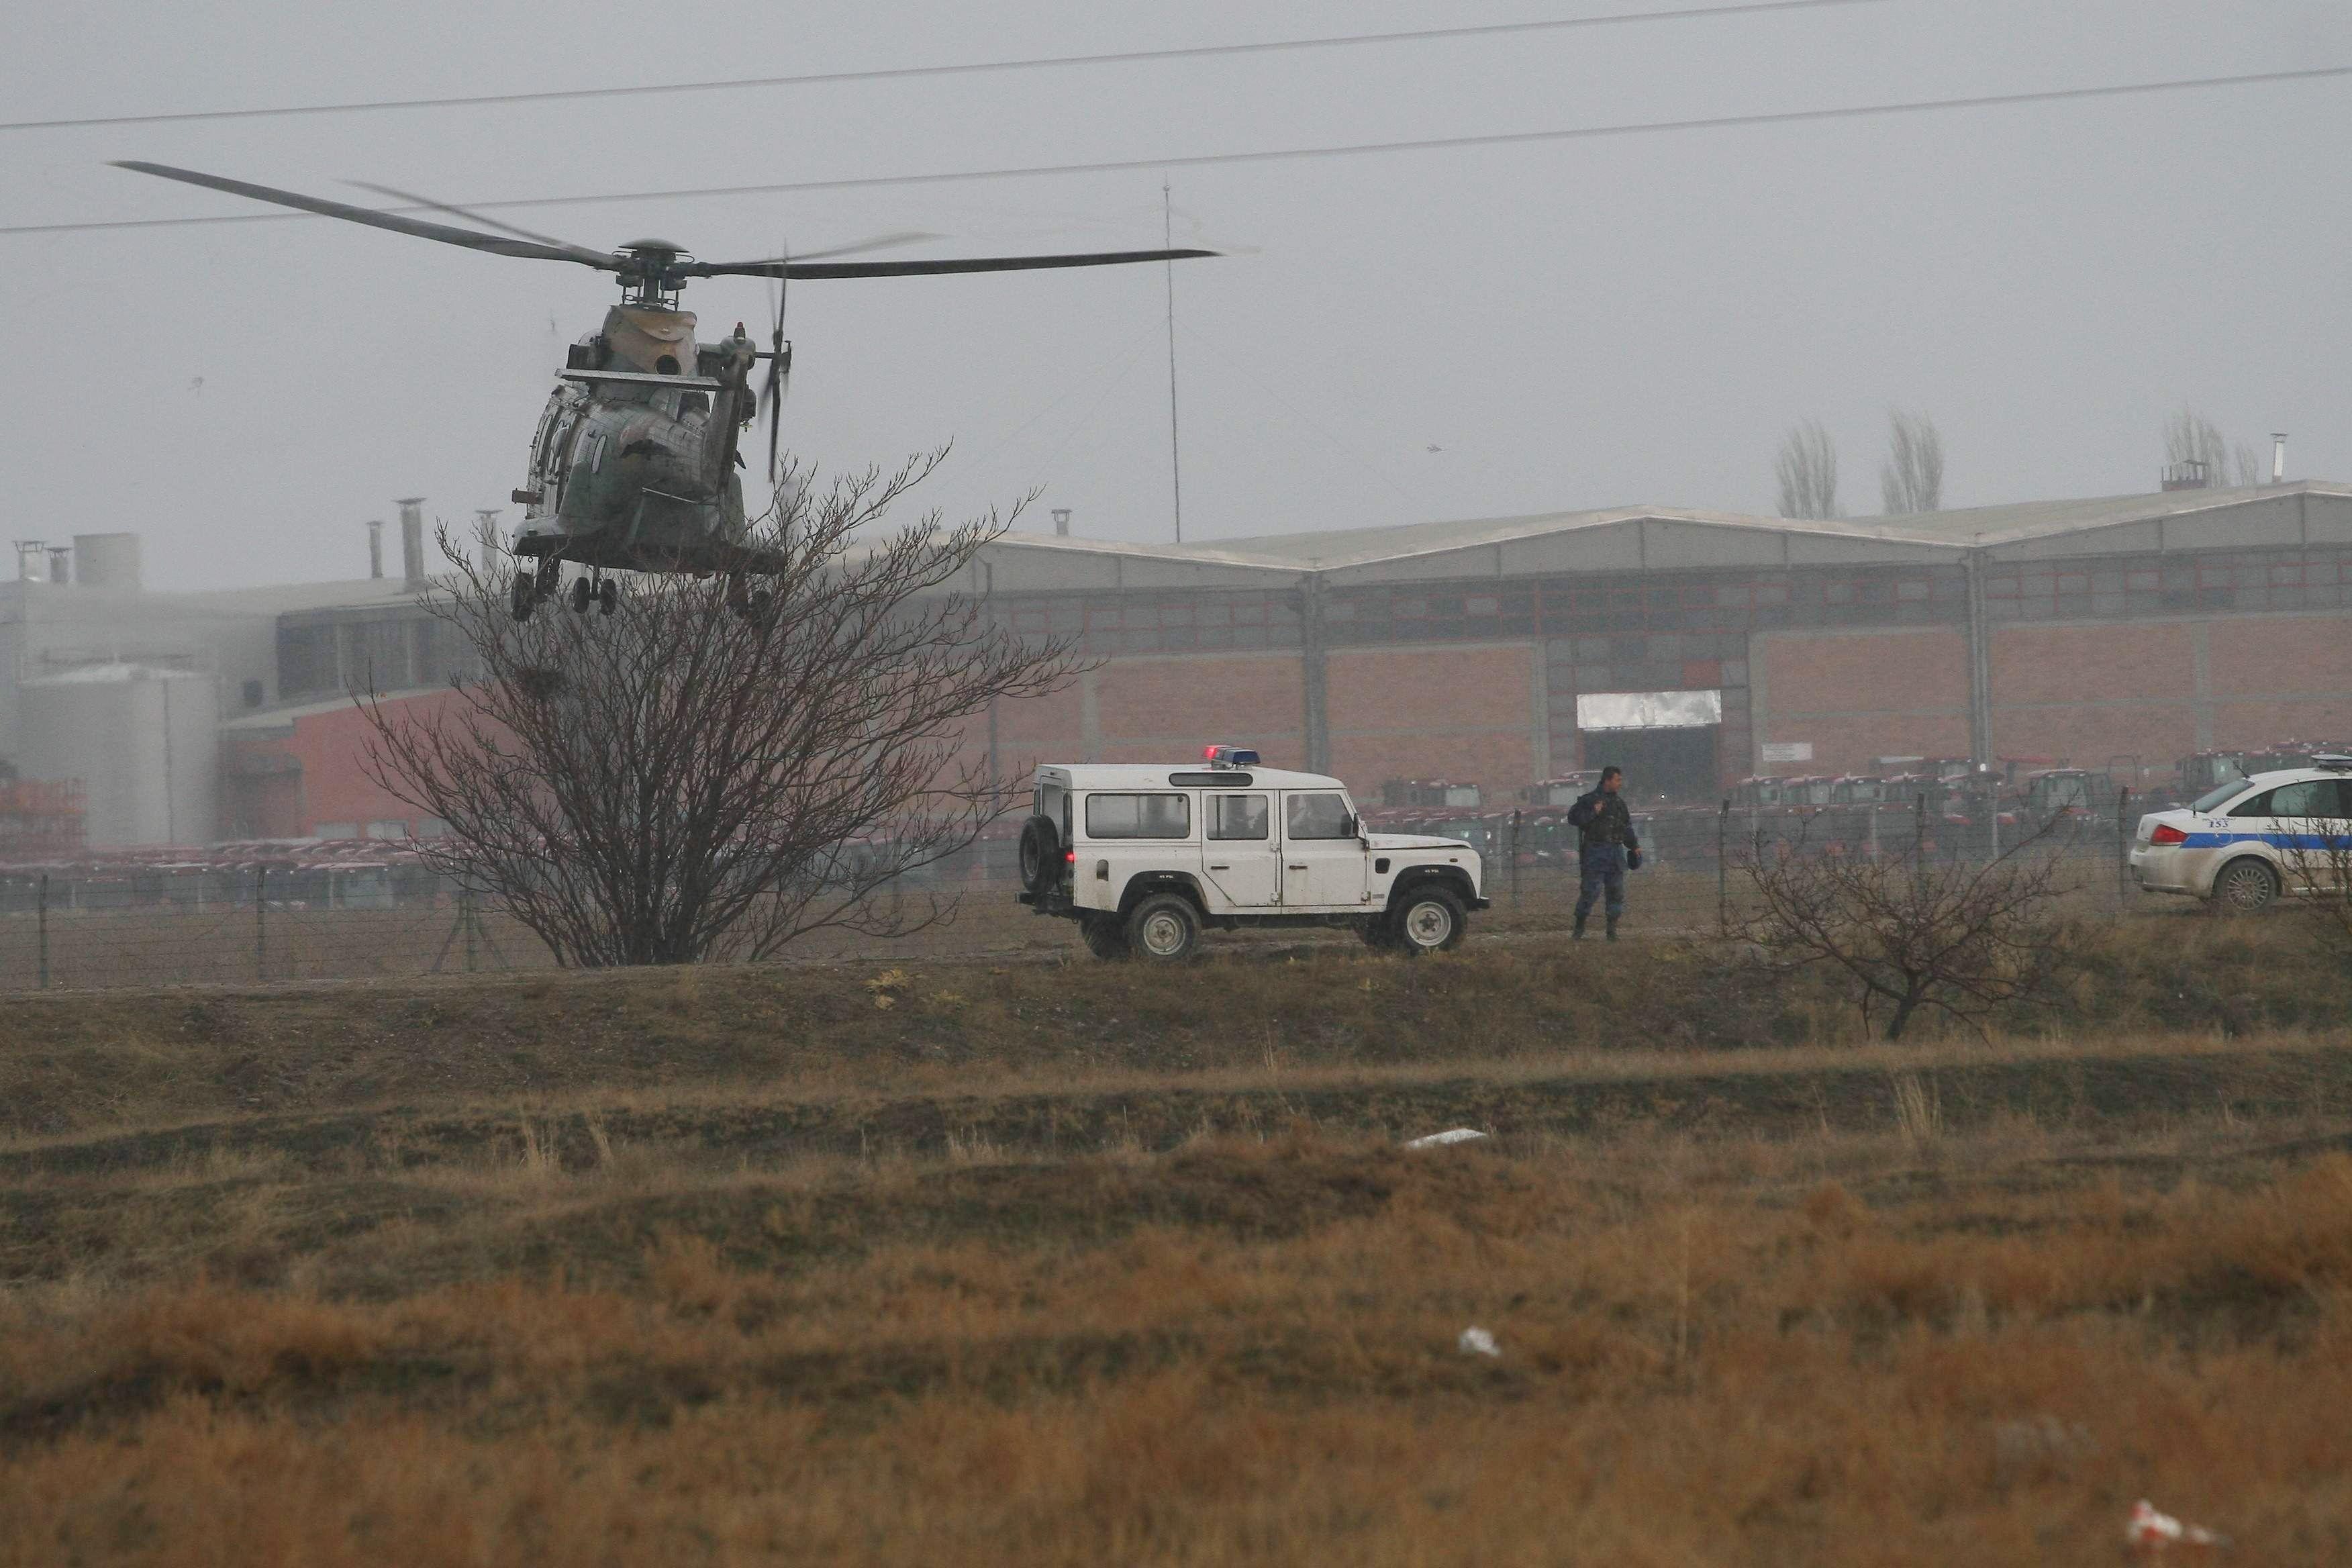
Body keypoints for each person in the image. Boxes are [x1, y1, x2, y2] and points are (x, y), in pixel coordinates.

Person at [1566, 765, 1640, 940]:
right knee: (1590, 892)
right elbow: (1573, 818)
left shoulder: (1619, 804)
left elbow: (1626, 827)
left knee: (1616, 893)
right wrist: (1593, 812)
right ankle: (1579, 930)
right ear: (1608, 781)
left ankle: (1611, 932)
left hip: (1615, 852)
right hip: (1595, 852)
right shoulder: (1589, 800)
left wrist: (1634, 846)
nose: (1620, 784)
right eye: (1617, 780)